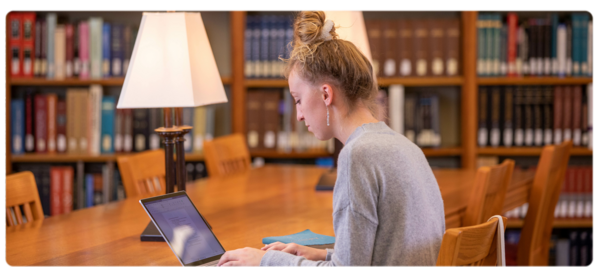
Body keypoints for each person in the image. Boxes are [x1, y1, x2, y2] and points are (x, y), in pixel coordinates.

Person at [217, 8, 445, 269]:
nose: (299, 115)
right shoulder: (405, 146)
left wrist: (266, 260)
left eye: (298, 100)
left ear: (326, 94)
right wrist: (321, 254)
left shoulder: (358, 155)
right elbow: (382, 251)